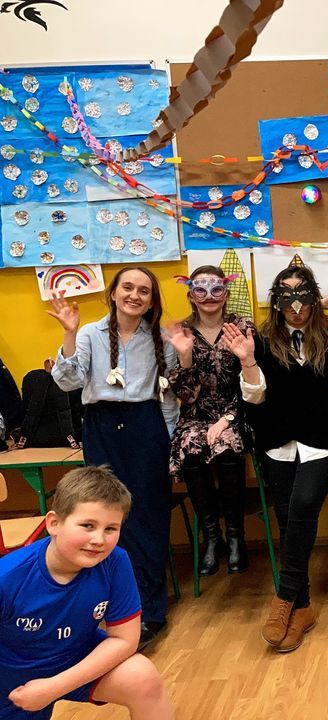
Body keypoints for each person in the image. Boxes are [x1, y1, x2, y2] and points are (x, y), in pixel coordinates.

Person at [225, 263, 328, 653]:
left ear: (314, 298)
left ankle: (284, 596)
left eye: (302, 295)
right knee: (286, 519)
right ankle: (302, 609)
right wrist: (248, 361)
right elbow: (255, 398)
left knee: (302, 504)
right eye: (286, 297)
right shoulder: (259, 341)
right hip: (279, 441)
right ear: (276, 302)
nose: (296, 306)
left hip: (325, 439)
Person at [50, 267, 178, 650]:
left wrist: (168, 440)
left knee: (148, 518)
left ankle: (150, 612)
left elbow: (169, 397)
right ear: (113, 293)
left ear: (151, 301)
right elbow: (68, 381)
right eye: (128, 288)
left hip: (146, 426)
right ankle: (114, 609)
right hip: (101, 426)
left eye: (144, 291)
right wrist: (69, 333)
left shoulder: (161, 339)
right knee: (103, 516)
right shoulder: (89, 333)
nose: (135, 295)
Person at [0, 465, 174, 720]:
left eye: (110, 529)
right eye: (88, 525)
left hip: (74, 660)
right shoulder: (7, 577)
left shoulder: (115, 562)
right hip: (11, 679)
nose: (99, 540)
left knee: (142, 678)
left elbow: (124, 640)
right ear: (54, 523)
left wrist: (54, 687)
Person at [167, 266, 254, 577]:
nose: (208, 297)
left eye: (216, 289)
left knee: (227, 447)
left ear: (225, 293)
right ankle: (212, 538)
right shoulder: (181, 332)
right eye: (200, 290)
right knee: (191, 448)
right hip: (196, 415)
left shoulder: (242, 327)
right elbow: (186, 396)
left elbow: (253, 380)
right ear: (191, 295)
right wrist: (185, 357)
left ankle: (235, 536)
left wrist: (228, 418)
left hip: (236, 411)